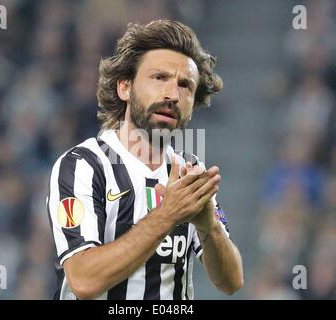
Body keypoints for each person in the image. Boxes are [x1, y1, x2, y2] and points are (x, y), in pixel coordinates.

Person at [46, 20, 243, 300]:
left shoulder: (189, 172)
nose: (173, 95)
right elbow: (83, 280)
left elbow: (231, 281)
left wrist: (208, 225)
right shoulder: (83, 165)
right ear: (125, 87)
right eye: (159, 77)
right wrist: (168, 215)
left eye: (185, 85)